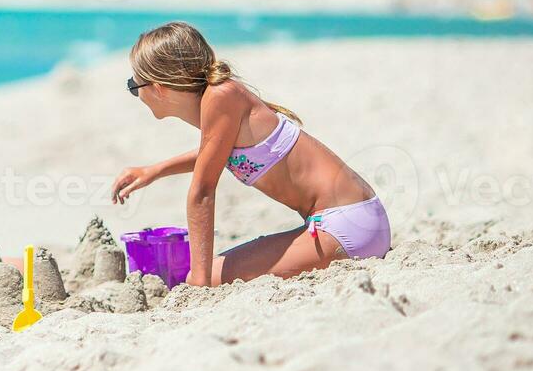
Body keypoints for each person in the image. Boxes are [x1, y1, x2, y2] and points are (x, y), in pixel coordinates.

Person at [111, 21, 389, 285]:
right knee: (215, 267)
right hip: (357, 220)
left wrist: (199, 281)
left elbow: (202, 192)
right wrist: (155, 170)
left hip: (348, 225)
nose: (135, 93)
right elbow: (218, 153)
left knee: (206, 275)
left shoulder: (220, 96)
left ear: (159, 89)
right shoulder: (220, 97)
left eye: (134, 87)